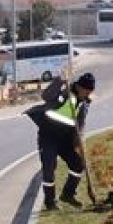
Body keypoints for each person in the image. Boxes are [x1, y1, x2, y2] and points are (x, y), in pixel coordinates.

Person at [26, 71, 96, 210]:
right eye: (86, 91)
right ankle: (50, 202)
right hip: (48, 137)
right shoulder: (65, 94)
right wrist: (60, 81)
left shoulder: (84, 103)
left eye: (90, 92)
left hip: (66, 140)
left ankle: (68, 194)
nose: (88, 94)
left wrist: (79, 143)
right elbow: (46, 96)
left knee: (78, 165)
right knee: (49, 169)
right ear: (80, 88)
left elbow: (80, 124)